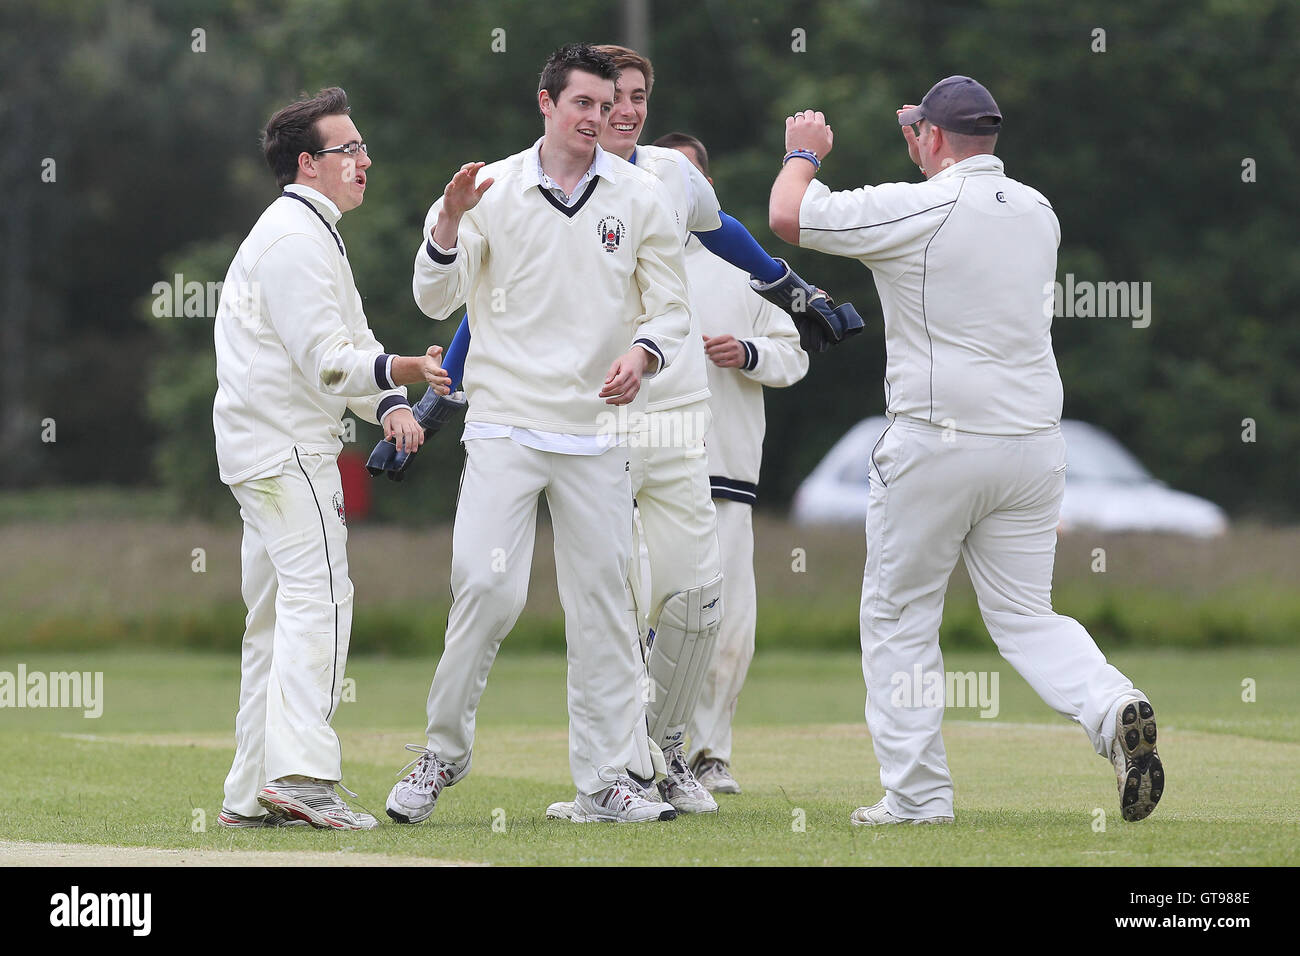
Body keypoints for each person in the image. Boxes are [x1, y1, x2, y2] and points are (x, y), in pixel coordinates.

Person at [768, 76, 1164, 825]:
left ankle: (918, 798)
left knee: (899, 616)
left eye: (918, 131)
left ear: (938, 139)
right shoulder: (1039, 211)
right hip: (1033, 447)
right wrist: (924, 137)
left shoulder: (919, 204)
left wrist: (803, 150)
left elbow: (788, 214)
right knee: (1024, 614)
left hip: (937, 442)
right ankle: (1114, 707)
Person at [385, 44, 690, 825]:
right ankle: (441, 755)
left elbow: (672, 308)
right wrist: (449, 219)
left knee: (604, 610)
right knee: (486, 590)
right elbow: (432, 297)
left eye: (607, 104)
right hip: (505, 426)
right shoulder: (487, 190)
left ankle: (607, 782)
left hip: (595, 432)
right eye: (582, 103)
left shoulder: (640, 195)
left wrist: (643, 353)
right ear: (547, 105)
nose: (599, 117)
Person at [541, 45, 849, 819]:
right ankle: (609, 776)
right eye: (611, 96)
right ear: (576, 106)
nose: (625, 108)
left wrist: (799, 292)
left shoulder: (673, 184)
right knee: (609, 609)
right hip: (598, 434)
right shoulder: (552, 197)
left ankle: (675, 752)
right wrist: (449, 398)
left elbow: (738, 236)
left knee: (698, 605)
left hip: (691, 443)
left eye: (638, 93)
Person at [213, 87, 451, 830]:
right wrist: (409, 372)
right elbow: (327, 361)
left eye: (363, 147)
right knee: (322, 601)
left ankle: (251, 793)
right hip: (286, 450)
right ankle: (303, 778)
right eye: (350, 150)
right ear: (309, 163)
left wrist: (387, 404)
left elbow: (349, 344)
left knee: (277, 621)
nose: (365, 161)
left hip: (268, 447)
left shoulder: (312, 231)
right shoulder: (293, 239)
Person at [651, 133, 809, 794]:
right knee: (654, 619)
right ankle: (651, 751)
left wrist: (747, 352)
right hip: (648, 476)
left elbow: (793, 353)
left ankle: (711, 752)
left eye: (690, 178)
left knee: (728, 624)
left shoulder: (746, 268)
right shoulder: (625, 259)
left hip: (727, 474)